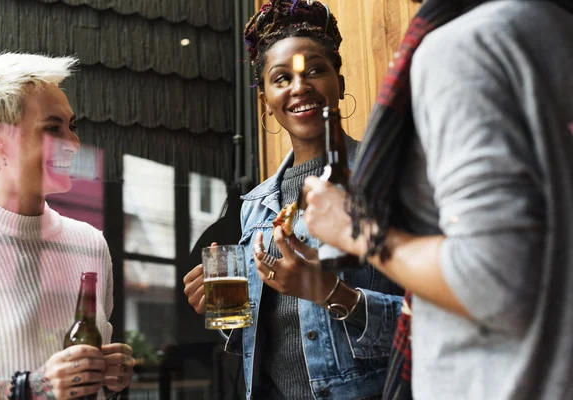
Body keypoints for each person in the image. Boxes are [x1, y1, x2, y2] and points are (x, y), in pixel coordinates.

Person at [303, 0, 573, 399]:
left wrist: (353, 230)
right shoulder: (550, 23)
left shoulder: (465, 49)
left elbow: (492, 283)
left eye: (316, 69)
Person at [183, 1, 403, 399]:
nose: (299, 87)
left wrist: (330, 291)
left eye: (315, 70)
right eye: (281, 78)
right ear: (265, 100)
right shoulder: (257, 204)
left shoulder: (385, 182)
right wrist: (226, 315)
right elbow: (279, 335)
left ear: (339, 79)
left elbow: (431, 321)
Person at [0, 53, 135, 399]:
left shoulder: (90, 243)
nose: (73, 144)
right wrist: (35, 388)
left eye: (71, 126)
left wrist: (110, 378)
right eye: (52, 128)